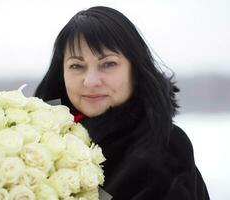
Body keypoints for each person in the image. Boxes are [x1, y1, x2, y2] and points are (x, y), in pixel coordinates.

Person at [35, 6, 210, 200]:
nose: (91, 80)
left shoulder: (165, 148)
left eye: (108, 64)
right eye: (77, 65)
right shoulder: (37, 143)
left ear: (134, 69)